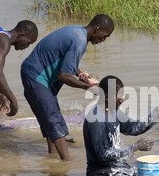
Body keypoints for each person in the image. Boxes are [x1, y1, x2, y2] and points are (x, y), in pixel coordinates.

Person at [21, 14, 114, 161]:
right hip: (36, 76)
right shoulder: (80, 41)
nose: (103, 40)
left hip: (35, 73)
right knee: (53, 117)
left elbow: (64, 58)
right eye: (105, 36)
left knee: (48, 118)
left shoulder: (78, 31)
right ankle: (66, 163)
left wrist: (81, 73)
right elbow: (64, 75)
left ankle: (51, 159)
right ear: (98, 29)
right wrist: (89, 88)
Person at [83, 75, 159, 176]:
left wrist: (155, 115)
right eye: (118, 97)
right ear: (107, 97)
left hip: (117, 168)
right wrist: (135, 147)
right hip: (103, 173)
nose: (122, 100)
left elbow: (132, 128)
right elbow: (104, 156)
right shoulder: (97, 120)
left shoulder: (114, 111)